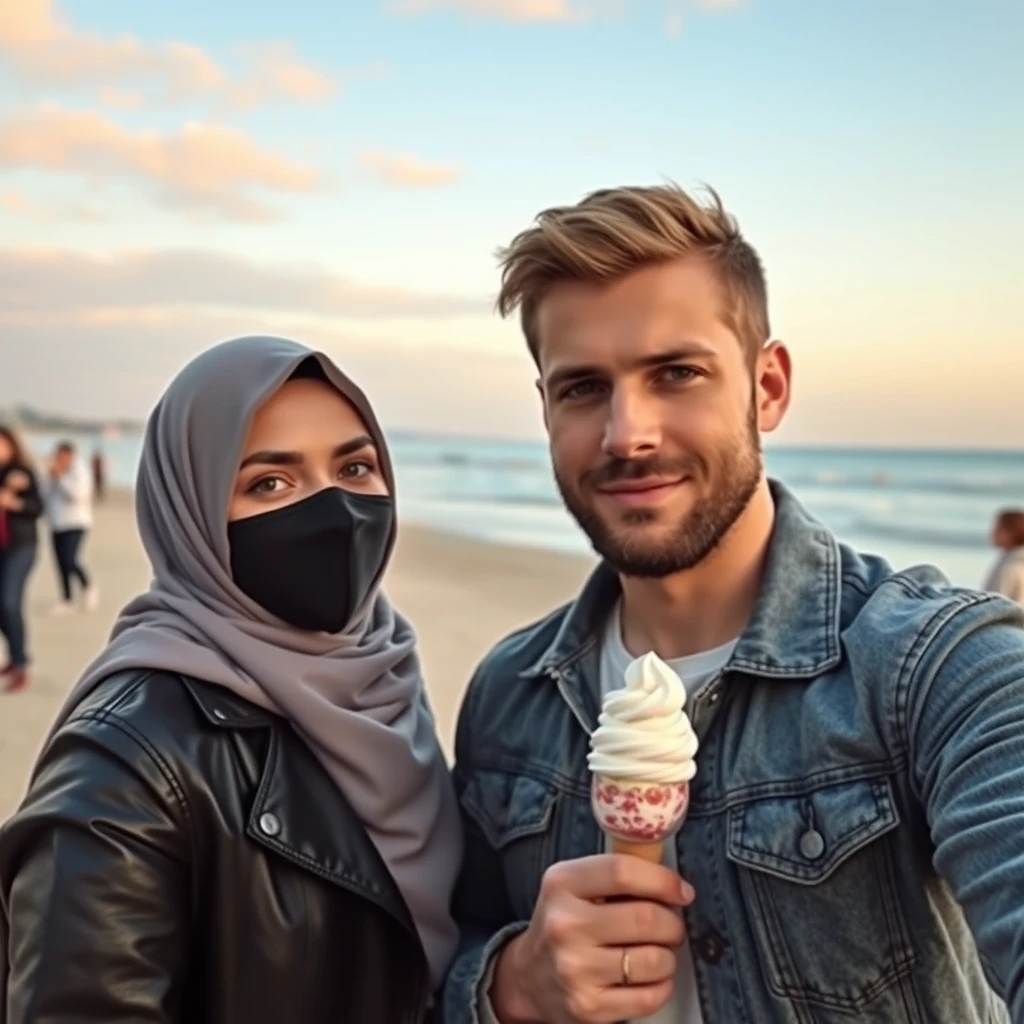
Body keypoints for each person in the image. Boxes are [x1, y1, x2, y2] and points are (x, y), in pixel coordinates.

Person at [440, 183, 1024, 1024]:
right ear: (544, 410)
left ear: (769, 386)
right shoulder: (510, 692)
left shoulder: (934, 668)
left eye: (676, 373)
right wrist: (506, 986)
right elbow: (447, 952)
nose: (627, 433)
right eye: (582, 388)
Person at [0, 336, 462, 1022]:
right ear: (191, 513)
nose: (334, 510)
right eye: (269, 482)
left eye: (356, 467)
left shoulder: (384, 681)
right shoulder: (125, 768)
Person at [0, 426, 44, 694]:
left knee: (8, 600)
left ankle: (21, 666)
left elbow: (38, 507)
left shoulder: (22, 473)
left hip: (21, 546)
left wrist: (14, 502)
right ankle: (18, 656)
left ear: (12, 446)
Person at [43, 439, 98, 615]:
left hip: (76, 523)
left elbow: (79, 495)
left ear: (71, 455)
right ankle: (66, 599)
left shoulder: (80, 471)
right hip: (56, 523)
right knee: (59, 563)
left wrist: (61, 478)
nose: (60, 459)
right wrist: (50, 477)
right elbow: (46, 496)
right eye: (57, 456)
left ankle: (87, 585)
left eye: (63, 456)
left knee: (70, 559)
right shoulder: (54, 472)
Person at [984, 509, 1024, 604]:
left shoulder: (1010, 566)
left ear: (1012, 532)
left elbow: (995, 604)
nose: (992, 533)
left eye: (998, 528)